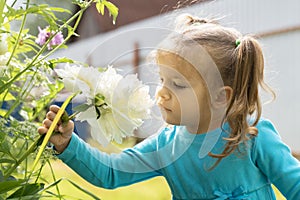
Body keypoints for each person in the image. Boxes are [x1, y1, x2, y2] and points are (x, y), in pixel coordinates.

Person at [38, 14, 300, 199]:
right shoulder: (167, 145)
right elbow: (110, 173)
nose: (162, 93)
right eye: (163, 80)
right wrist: (68, 144)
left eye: (179, 84)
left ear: (220, 97)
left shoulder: (252, 138)